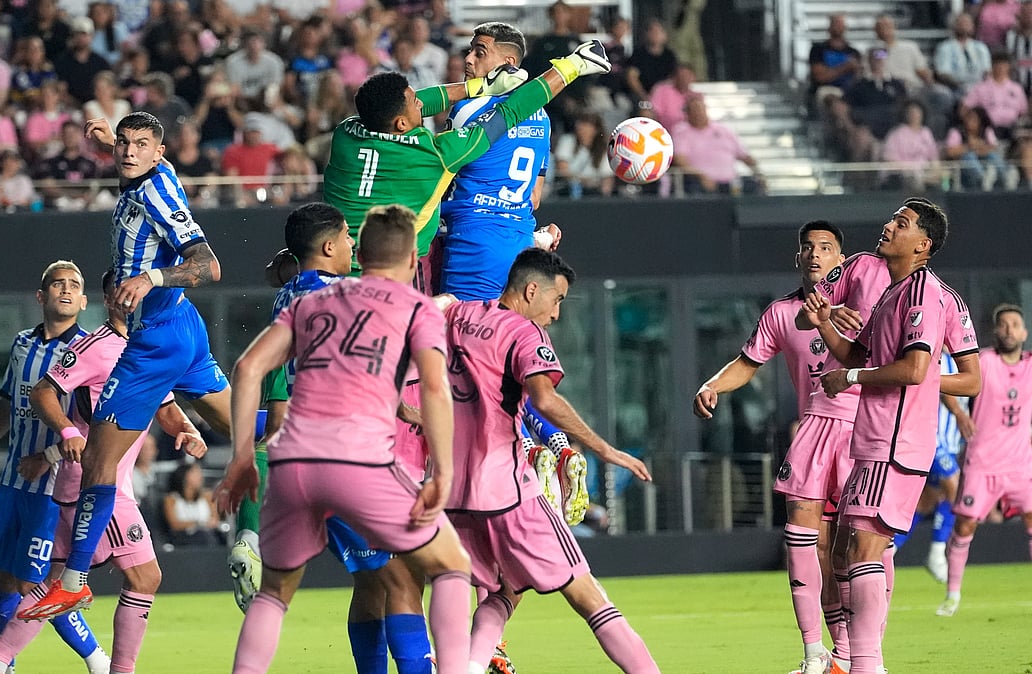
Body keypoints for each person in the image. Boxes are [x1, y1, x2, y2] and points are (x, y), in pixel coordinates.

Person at [215, 204, 473, 673]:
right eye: (345, 241)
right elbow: (425, 369)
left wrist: (242, 457)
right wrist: (447, 302)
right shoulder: (353, 295)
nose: (352, 249)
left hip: (291, 465)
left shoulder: (299, 299)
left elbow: (251, 367)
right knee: (432, 571)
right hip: (350, 459)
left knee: (304, 591)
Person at [19, 111, 232, 622]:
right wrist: (103, 141)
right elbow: (135, 165)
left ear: (160, 153)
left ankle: (73, 583)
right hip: (182, 327)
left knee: (98, 460)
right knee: (243, 426)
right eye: (123, 143)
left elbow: (209, 264)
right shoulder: (147, 176)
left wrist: (151, 278)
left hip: (154, 341)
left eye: (140, 144)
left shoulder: (158, 193)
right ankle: (324, 431)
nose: (129, 151)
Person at [0, 269, 208, 674]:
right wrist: (62, 431)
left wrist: (185, 428)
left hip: (86, 484)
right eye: (129, 288)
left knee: (53, 586)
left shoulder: (144, 347)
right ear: (112, 297)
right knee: (145, 577)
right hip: (98, 485)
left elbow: (165, 406)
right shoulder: (94, 347)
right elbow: (43, 390)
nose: (138, 295)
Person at [436, 248, 657, 673]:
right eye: (556, 300)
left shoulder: (459, 316)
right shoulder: (524, 333)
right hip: (508, 489)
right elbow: (545, 399)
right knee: (590, 596)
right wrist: (604, 449)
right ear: (531, 290)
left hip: (455, 496)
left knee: (504, 591)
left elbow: (432, 313)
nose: (556, 314)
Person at [795, 216, 980, 674]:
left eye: (902, 223)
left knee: (863, 550)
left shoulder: (923, 294)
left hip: (895, 441)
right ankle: (848, 658)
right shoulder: (895, 292)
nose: (889, 226)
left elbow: (916, 370)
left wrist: (853, 378)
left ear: (923, 245)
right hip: (874, 438)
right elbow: (862, 355)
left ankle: (864, 665)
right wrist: (824, 325)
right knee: (844, 550)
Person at [321, 39, 614, 289]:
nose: (421, 104)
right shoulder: (435, 156)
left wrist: (481, 87)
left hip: (331, 272)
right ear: (400, 123)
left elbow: (395, 106)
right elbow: (509, 113)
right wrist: (572, 67)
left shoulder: (346, 133)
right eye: (415, 104)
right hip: (391, 278)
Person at [0, 260, 111, 674]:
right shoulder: (22, 345)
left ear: (85, 300)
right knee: (4, 578)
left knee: (32, 586)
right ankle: (7, 666)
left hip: (54, 487)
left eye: (75, 285)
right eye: (58, 284)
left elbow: (93, 429)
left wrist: (51, 456)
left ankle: (98, 660)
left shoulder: (87, 353)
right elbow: (5, 405)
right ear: (41, 296)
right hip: (13, 482)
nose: (66, 290)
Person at [693, 221, 846, 674]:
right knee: (806, 539)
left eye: (826, 247)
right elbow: (748, 362)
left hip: (863, 433)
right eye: (808, 248)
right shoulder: (781, 313)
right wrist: (713, 385)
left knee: (852, 552)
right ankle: (815, 651)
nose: (815, 254)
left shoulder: (862, 306)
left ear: (843, 259)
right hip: (816, 431)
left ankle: (855, 653)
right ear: (797, 259)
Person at [440, 21, 559, 302]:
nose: (468, 59)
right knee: (506, 339)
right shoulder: (541, 116)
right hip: (521, 245)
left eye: (480, 53)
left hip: (474, 243)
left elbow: (440, 177)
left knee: (463, 337)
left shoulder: (468, 108)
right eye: (469, 51)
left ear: (509, 63)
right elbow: (534, 196)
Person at [939, 303, 1032, 617]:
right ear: (996, 331)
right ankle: (952, 595)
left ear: (1024, 332)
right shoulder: (984, 362)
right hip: (982, 461)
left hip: (1020, 464)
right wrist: (958, 414)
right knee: (965, 526)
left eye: (1014, 324)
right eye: (1003, 324)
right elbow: (944, 383)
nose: (1009, 329)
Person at [891, 351, 967, 584]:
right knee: (956, 488)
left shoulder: (965, 359)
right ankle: (937, 552)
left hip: (951, 441)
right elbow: (936, 387)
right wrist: (959, 414)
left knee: (926, 502)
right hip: (932, 438)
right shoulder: (932, 355)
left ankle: (888, 549)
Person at [671, 94, 765, 195]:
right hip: (699, 181)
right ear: (687, 113)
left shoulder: (723, 130)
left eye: (700, 109)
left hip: (730, 182)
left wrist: (758, 172)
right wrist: (701, 176)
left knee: (753, 185)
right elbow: (680, 160)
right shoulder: (682, 132)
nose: (698, 113)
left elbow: (744, 155)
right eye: (694, 109)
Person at [808, 14, 862, 105]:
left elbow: (859, 78)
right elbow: (820, 77)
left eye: (841, 24)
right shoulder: (818, 50)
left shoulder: (854, 52)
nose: (838, 27)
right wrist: (845, 68)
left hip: (849, 90)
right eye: (836, 24)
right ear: (829, 27)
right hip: (826, 89)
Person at [163, 462, 221, 546]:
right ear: (185, 476)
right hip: (181, 540)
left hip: (207, 538)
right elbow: (174, 524)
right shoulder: (171, 499)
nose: (200, 477)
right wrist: (199, 524)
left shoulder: (208, 496)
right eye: (195, 473)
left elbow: (214, 520)